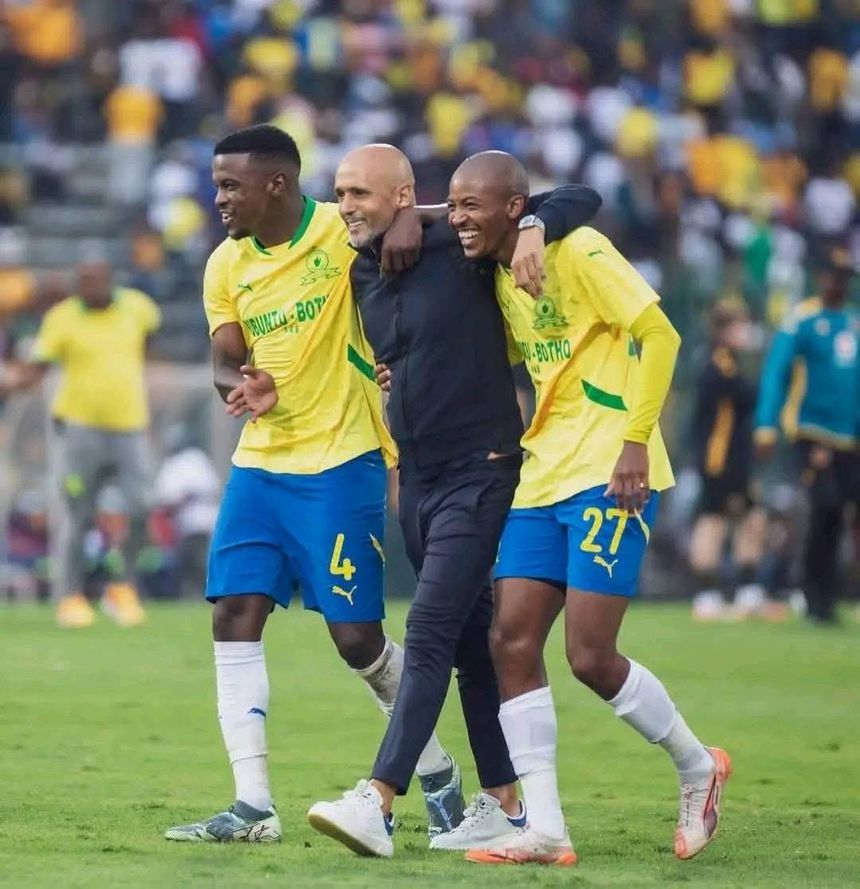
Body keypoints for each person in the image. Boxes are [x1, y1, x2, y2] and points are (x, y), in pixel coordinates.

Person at [305, 145, 600, 858]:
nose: (345, 206)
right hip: (419, 480)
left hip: (481, 470)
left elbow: (580, 196)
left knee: (430, 627)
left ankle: (378, 800)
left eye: (360, 193)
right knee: (470, 641)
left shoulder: (461, 246)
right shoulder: (361, 269)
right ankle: (502, 802)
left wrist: (527, 227)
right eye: (339, 193)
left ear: (403, 196)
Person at [163, 125, 456, 844]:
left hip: (342, 458)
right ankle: (253, 807)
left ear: (276, 184)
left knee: (356, 639)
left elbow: (450, 216)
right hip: (261, 463)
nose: (218, 198)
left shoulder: (339, 229)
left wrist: (411, 221)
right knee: (233, 612)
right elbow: (224, 355)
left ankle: (438, 772)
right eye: (216, 184)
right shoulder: (226, 263)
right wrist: (241, 383)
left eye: (230, 185)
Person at [446, 151, 730, 866]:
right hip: (543, 473)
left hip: (610, 468)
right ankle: (546, 828)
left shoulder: (580, 250)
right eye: (450, 205)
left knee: (589, 655)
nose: (457, 218)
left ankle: (698, 766)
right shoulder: (498, 274)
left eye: (470, 205)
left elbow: (661, 335)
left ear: (515, 207)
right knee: (511, 640)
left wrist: (636, 440)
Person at [0, 260, 160, 628]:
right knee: (77, 513)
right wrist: (11, 383)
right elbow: (38, 369)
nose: (89, 288)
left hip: (130, 427)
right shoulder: (63, 318)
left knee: (141, 506)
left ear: (110, 281)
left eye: (95, 281)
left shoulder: (138, 308)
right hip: (78, 432)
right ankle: (70, 596)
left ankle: (122, 588)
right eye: (83, 282)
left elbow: (148, 343)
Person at [754, 246, 860, 624]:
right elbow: (776, 373)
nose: (838, 283)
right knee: (823, 508)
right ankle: (811, 592)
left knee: (840, 514)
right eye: (833, 275)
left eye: (844, 277)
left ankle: (828, 595)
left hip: (850, 437)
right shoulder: (801, 320)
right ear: (820, 277)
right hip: (812, 432)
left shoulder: (853, 321)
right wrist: (766, 424)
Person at [689, 298, 773, 621]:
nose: (746, 332)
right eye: (740, 325)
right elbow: (744, 396)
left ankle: (748, 590)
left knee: (751, 518)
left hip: (735, 458)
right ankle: (706, 594)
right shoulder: (720, 364)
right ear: (724, 330)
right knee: (713, 520)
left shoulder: (730, 362)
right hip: (720, 460)